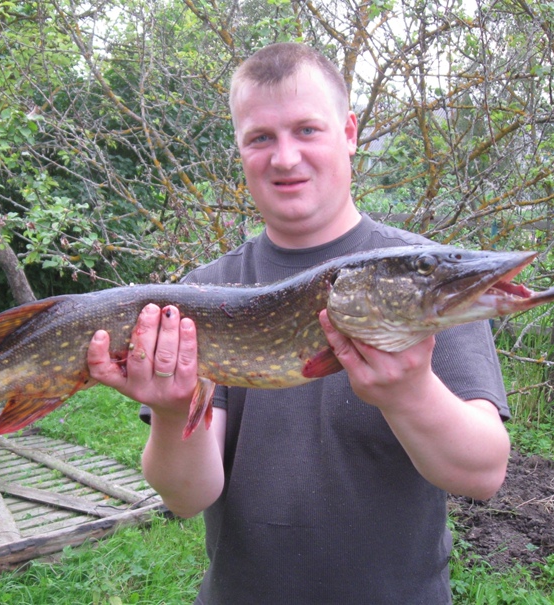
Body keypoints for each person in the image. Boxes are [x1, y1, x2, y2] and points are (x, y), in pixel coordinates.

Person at [87, 42, 511, 604]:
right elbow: (189, 497)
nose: (285, 158)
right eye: (261, 138)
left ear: (350, 132)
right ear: (240, 151)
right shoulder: (200, 294)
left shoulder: (417, 278)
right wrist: (171, 413)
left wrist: (410, 393)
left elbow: (482, 474)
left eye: (307, 130)